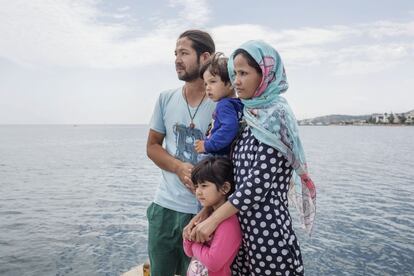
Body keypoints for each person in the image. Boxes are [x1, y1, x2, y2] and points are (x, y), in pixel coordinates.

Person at [184, 40, 317, 276]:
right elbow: (232, 177)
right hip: (239, 229)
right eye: (235, 73)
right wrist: (206, 212)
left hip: (267, 234)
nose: (236, 81)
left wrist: (213, 221)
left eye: (244, 73)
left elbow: (256, 185)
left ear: (265, 74)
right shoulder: (248, 116)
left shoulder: (275, 119)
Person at [146, 29, 216, 276]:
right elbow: (152, 146)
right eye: (175, 53)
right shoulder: (165, 99)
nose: (177, 59)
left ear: (205, 57)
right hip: (164, 208)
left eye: (184, 53)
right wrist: (178, 167)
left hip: (204, 213)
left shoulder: (222, 104)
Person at [183, 157, 242, 276]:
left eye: (204, 186)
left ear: (224, 188)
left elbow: (213, 262)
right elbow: (188, 252)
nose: (198, 192)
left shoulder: (228, 223)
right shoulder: (205, 217)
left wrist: (194, 243)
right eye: (196, 186)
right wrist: (187, 237)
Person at [194, 53, 243, 157]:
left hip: (222, 157)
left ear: (230, 84)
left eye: (212, 81)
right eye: (206, 84)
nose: (207, 88)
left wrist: (207, 145)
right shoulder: (239, 103)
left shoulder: (224, 105)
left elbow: (229, 127)